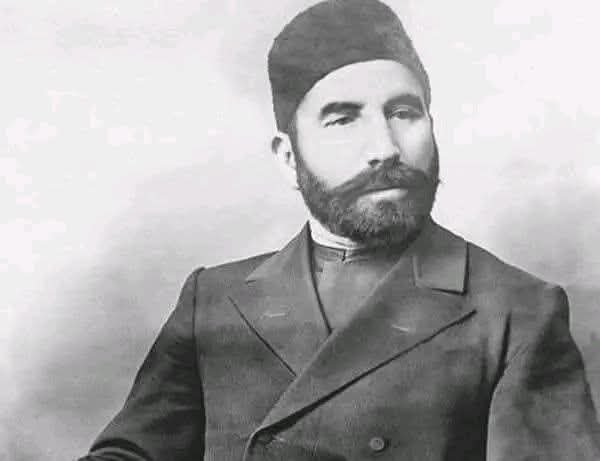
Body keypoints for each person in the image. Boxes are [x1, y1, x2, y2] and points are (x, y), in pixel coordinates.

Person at [80, 0, 600, 459]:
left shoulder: (517, 311)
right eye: (343, 118)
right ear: (289, 158)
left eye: (404, 112)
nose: (386, 148)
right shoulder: (212, 298)